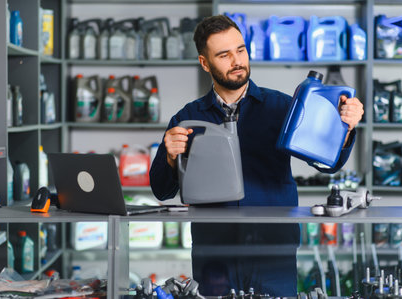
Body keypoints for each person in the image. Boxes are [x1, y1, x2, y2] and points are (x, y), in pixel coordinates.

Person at [150, 15, 364, 297]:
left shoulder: (281, 107)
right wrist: (169, 157)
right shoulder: (188, 117)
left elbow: (328, 163)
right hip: (214, 255)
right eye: (224, 55)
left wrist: (346, 128)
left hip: (273, 251)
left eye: (241, 50)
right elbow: (162, 191)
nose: (237, 60)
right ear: (205, 63)